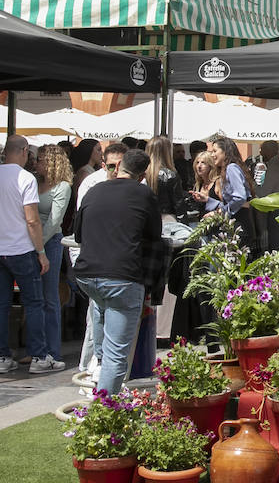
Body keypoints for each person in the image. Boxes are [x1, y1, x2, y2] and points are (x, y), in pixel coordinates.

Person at [74, 148, 162, 395]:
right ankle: (105, 409)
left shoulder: (94, 191)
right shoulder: (143, 194)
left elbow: (78, 234)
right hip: (122, 277)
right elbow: (154, 235)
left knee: (101, 316)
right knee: (116, 354)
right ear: (142, 175)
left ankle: (98, 371)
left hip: (87, 274)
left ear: (119, 166)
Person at [0, 136, 53, 375]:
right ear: (23, 151)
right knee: (34, 303)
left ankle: (2, 356)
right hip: (21, 249)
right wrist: (41, 252)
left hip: (2, 249)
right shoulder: (25, 178)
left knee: (2, 305)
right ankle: (39, 356)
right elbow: (32, 220)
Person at [35, 143, 73, 367]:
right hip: (30, 242)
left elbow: (54, 221)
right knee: (34, 298)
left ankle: (53, 351)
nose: (35, 163)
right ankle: (37, 349)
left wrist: (37, 245)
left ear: (50, 162)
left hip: (49, 243)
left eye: (40, 159)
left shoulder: (63, 187)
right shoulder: (34, 181)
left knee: (50, 296)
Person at [255, 141, 279, 251]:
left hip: (278, 210)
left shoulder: (275, 166)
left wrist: (252, 186)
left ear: (269, 151)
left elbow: (264, 192)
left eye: (262, 150)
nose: (260, 153)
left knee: (277, 245)